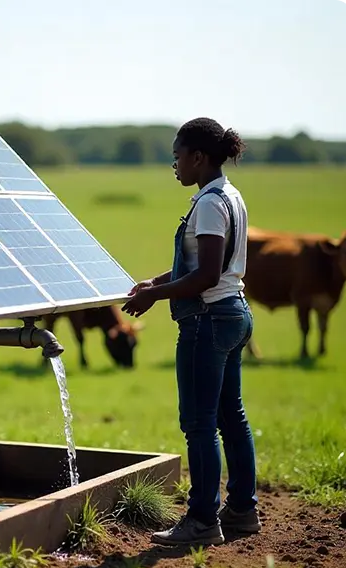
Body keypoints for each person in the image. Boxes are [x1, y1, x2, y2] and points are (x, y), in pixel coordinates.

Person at [122, 117, 260, 546]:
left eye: (177, 156)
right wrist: (156, 282)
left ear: (198, 157)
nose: (174, 164)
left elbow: (206, 274)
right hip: (234, 313)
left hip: (207, 319)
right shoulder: (228, 195)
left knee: (199, 423)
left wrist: (153, 297)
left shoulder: (208, 203)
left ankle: (202, 519)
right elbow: (202, 264)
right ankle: (241, 510)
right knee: (229, 415)